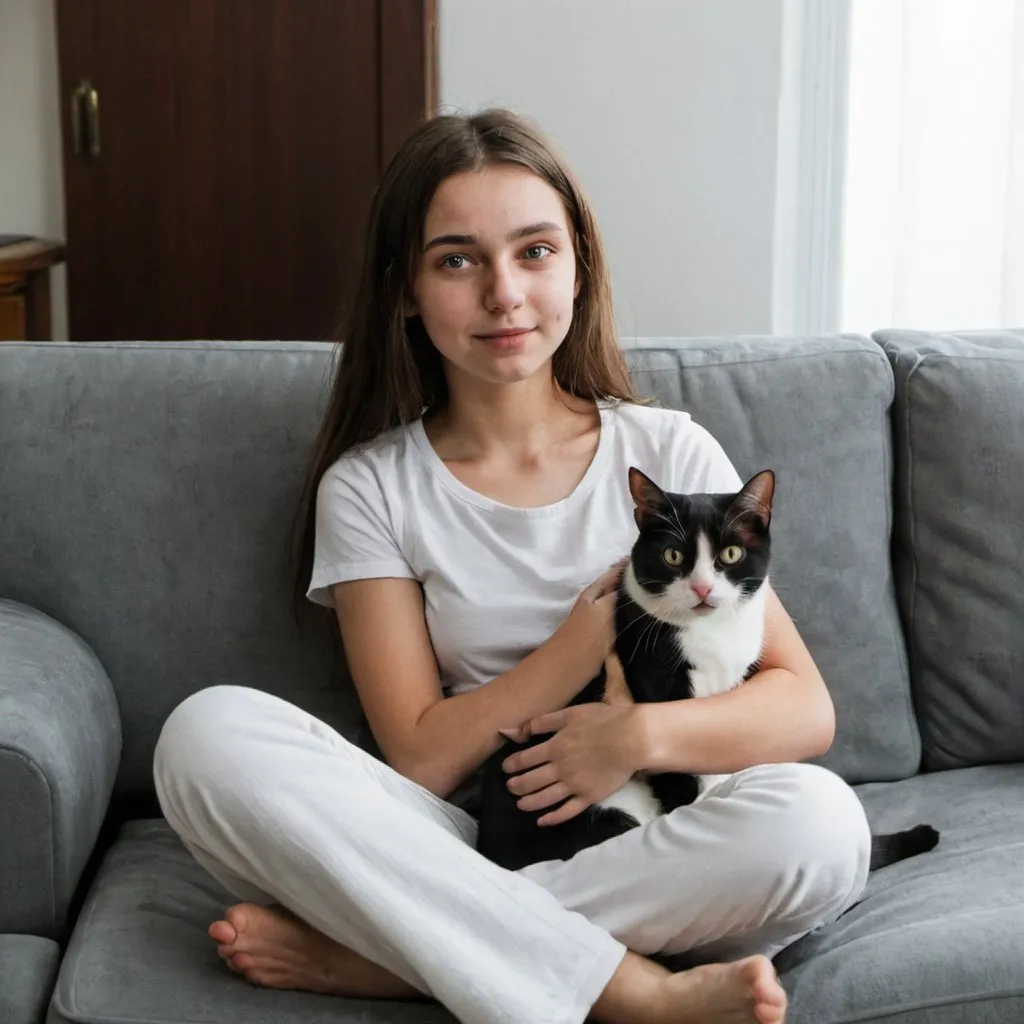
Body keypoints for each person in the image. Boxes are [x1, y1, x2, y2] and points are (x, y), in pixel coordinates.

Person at [153, 108, 871, 1024]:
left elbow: (803, 707)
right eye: (457, 260)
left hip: (659, 827)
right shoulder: (371, 486)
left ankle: (397, 957)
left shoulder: (668, 449)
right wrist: (578, 647)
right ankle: (630, 987)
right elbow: (417, 756)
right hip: (465, 834)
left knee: (820, 825)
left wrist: (630, 741)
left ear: (578, 266)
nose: (504, 294)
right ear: (405, 289)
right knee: (206, 736)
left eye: (535, 252)